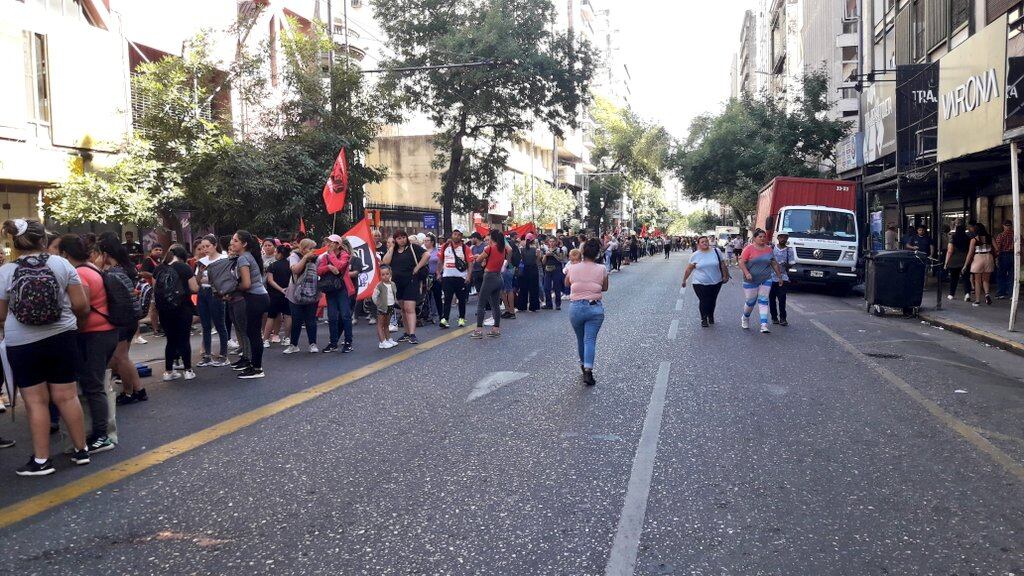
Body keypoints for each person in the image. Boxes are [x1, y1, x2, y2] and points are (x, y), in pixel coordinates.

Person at [0, 219, 91, 475]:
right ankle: (81, 450)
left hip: (22, 342)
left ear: (15, 243)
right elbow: (81, 305)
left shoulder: (6, 271)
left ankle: (41, 461)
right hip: (62, 336)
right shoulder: (61, 264)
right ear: (43, 239)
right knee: (68, 395)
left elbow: (0, 313)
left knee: (35, 402)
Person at [56, 235, 120, 455]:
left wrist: (77, 328)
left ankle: (101, 436)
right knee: (96, 383)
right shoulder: (91, 268)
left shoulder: (80, 273)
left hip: (94, 335)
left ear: (65, 254)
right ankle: (99, 433)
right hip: (106, 332)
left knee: (93, 386)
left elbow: (81, 307)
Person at [95, 234, 147, 405]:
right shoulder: (128, 267)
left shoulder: (111, 274)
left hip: (122, 319)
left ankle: (129, 392)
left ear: (105, 254)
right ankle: (139, 389)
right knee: (124, 357)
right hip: (131, 318)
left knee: (121, 358)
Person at [565, 238, 608, 386]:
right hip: (594, 308)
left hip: (576, 308)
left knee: (580, 338)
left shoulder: (572, 267)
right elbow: (605, 287)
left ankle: (583, 366)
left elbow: (567, 283)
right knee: (590, 340)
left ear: (582, 252)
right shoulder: (602, 268)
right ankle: (589, 370)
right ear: (597, 254)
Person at [154, 244, 199, 381]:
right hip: (183, 308)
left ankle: (168, 371)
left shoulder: (159, 268)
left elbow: (154, 289)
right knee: (184, 339)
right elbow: (194, 288)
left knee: (170, 340)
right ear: (182, 256)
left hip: (164, 309)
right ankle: (188, 370)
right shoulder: (184, 267)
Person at [230, 230, 271, 378]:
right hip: (259, 298)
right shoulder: (248, 256)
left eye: (235, 240)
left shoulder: (243, 258)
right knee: (252, 333)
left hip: (255, 298)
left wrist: (233, 288)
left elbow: (246, 284)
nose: (232, 243)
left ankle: (257, 368)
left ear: (244, 244)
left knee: (253, 334)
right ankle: (253, 364)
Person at [383, 230, 428, 344]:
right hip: (397, 282)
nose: (402, 240)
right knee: (403, 309)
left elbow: (427, 255)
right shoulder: (393, 250)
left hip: (411, 281)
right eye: (399, 238)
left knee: (409, 308)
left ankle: (412, 334)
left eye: (403, 237)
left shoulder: (413, 247)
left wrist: (417, 268)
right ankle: (407, 333)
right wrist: (392, 248)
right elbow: (385, 262)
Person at [193, 235, 230, 368]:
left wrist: (208, 278)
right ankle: (207, 355)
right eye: (202, 247)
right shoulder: (202, 261)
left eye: (207, 246)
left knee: (220, 324)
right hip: (202, 292)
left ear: (215, 245)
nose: (205, 249)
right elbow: (198, 280)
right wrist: (200, 273)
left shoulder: (223, 258)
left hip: (216, 293)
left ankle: (224, 355)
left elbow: (223, 279)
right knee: (205, 325)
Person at [738, 229, 783, 334]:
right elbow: (741, 262)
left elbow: (773, 263)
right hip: (750, 280)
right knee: (750, 302)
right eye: (760, 237)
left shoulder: (769, 249)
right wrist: (746, 273)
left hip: (766, 278)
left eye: (764, 236)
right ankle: (745, 317)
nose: (763, 238)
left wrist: (779, 276)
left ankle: (764, 325)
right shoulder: (748, 249)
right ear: (754, 238)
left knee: (763, 300)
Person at [317, 235, 355, 353]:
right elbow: (318, 270)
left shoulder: (345, 254)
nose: (329, 245)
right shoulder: (326, 257)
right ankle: (333, 343)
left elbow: (339, 266)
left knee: (345, 315)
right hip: (330, 289)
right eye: (328, 242)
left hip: (342, 288)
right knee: (332, 317)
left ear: (338, 244)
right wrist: (328, 267)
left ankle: (348, 342)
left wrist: (331, 256)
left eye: (332, 242)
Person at [681, 236, 729, 327]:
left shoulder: (716, 251)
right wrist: (684, 280)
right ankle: (704, 318)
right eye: (702, 242)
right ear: (698, 244)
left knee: (712, 300)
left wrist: (725, 275)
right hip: (699, 282)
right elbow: (689, 269)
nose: (705, 243)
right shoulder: (695, 255)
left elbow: (722, 264)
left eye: (706, 241)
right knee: (704, 300)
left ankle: (711, 315)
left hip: (716, 281)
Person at [283, 238, 320, 354]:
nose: (313, 251)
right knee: (296, 319)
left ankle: (313, 344)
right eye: (311, 248)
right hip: (295, 293)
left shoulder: (317, 258)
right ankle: (294, 345)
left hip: (312, 292)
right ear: (303, 249)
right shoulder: (295, 256)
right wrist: (305, 258)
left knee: (311, 319)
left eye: (314, 248)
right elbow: (295, 270)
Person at [471, 229, 509, 339]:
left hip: (489, 277)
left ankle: (478, 330)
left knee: (481, 304)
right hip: (498, 277)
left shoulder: (489, 248)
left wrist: (477, 257)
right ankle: (496, 329)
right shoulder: (503, 249)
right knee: (495, 305)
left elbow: (478, 260)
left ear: (492, 238)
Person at [438, 229, 473, 329]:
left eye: (458, 235)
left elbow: (470, 263)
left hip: (461, 277)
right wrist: (438, 273)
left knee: (461, 299)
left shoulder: (465, 248)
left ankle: (461, 318)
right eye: (455, 234)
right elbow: (440, 260)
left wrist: (468, 276)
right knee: (447, 298)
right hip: (447, 277)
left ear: (461, 236)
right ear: (452, 235)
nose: (456, 236)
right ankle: (445, 319)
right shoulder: (445, 246)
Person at [263, 244, 293, 347]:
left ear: (280, 254)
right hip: (288, 293)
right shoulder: (291, 265)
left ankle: (266, 339)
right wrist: (286, 289)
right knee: (288, 315)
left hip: (274, 294)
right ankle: (287, 338)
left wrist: (280, 289)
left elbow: (270, 280)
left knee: (271, 316)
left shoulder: (273, 265)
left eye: (276, 252)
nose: (275, 254)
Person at [964, 223, 996, 307]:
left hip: (978, 257)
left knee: (977, 281)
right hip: (989, 257)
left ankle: (977, 300)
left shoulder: (974, 239)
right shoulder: (990, 237)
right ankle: (987, 294)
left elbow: (970, 253)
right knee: (986, 279)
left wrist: (965, 265)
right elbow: (997, 249)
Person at [769, 233, 795, 326]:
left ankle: (783, 318)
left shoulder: (789, 250)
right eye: (781, 237)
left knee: (782, 298)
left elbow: (792, 263)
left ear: (787, 238)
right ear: (778, 238)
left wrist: (786, 264)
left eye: (785, 237)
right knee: (771, 299)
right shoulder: (772, 248)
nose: (783, 239)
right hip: (771, 277)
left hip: (783, 277)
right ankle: (774, 317)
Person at [140, 244, 164, 337]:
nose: (158, 251)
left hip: (159, 287)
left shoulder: (160, 261)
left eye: (160, 250)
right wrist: (155, 276)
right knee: (154, 308)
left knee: (159, 308)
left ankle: (160, 327)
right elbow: (142, 272)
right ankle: (156, 330)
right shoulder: (148, 260)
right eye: (156, 249)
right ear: (151, 251)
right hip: (151, 287)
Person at [374, 265, 399, 349]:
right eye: (383, 274)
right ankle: (382, 341)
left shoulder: (393, 284)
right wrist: (378, 304)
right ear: (380, 275)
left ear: (390, 274)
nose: (385, 276)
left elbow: (394, 293)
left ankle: (388, 339)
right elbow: (374, 296)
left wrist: (395, 302)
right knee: (381, 324)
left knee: (387, 324)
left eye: (387, 274)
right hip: (382, 307)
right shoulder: (379, 286)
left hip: (390, 306)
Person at [944, 223, 970, 301]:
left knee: (954, 278)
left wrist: (946, 263)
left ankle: (951, 294)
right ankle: (967, 294)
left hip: (954, 261)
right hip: (965, 260)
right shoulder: (967, 238)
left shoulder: (953, 238)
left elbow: (950, 251)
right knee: (966, 278)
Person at [517, 235, 541, 312]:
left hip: (524, 270)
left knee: (523, 288)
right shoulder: (536, 250)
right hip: (533, 269)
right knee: (533, 289)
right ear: (533, 241)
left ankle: (522, 306)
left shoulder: (522, 249)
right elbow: (537, 262)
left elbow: (521, 259)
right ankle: (533, 307)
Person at [541, 236, 567, 311]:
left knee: (557, 287)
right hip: (547, 269)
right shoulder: (546, 250)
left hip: (556, 269)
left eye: (553, 241)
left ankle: (558, 304)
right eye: (550, 241)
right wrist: (546, 255)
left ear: (556, 242)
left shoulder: (559, 250)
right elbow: (543, 262)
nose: (551, 243)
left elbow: (561, 259)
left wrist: (553, 254)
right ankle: (549, 304)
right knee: (546, 287)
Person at [994, 219, 1018, 299]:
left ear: (1003, 226)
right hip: (1014, 256)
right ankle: (1012, 294)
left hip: (1003, 255)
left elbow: (998, 248)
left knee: (1001, 275)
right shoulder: (1016, 235)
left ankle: (1001, 293)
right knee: (1012, 276)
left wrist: (997, 258)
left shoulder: (1001, 235)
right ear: (1011, 226)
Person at [423, 233, 442, 324]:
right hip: (425, 276)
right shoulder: (422, 251)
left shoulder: (437, 251)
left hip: (435, 275)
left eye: (427, 241)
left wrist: (439, 273)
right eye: (424, 241)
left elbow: (441, 262)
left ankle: (437, 314)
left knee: (436, 296)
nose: (425, 242)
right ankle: (428, 314)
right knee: (426, 296)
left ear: (432, 242)